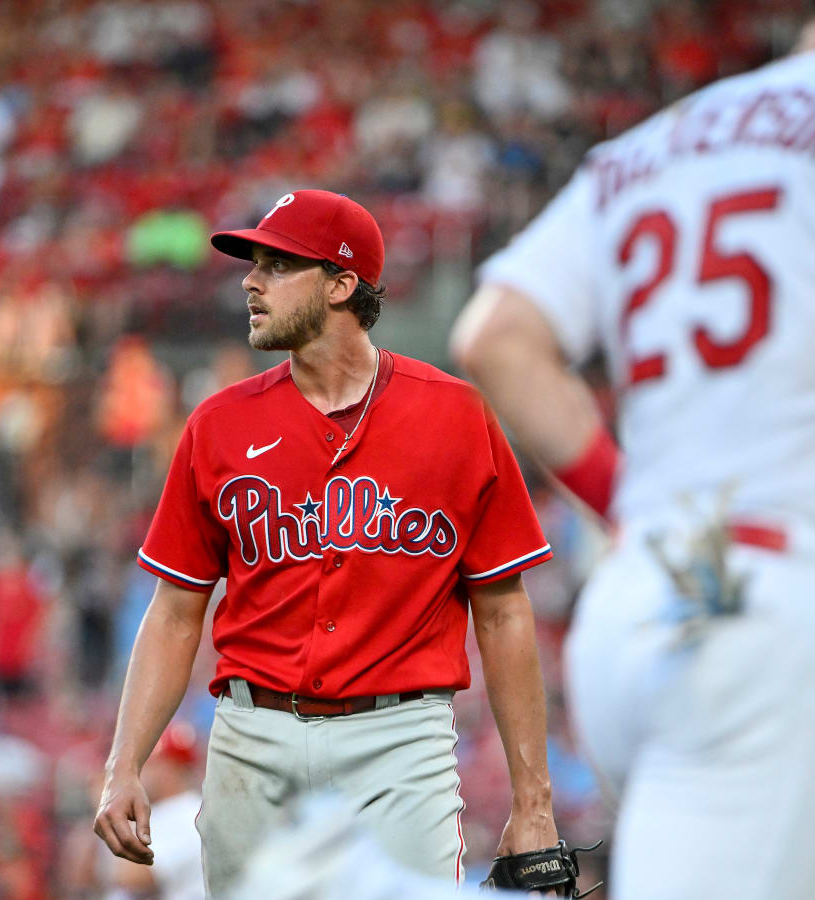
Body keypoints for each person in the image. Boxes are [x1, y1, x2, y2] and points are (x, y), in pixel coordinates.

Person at [449, 1, 815, 897]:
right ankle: (349, 882)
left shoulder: (656, 140)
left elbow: (495, 336)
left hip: (641, 609)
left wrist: (636, 504)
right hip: (759, 618)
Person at [93, 189, 560, 895]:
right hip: (253, 738)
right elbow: (174, 611)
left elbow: (503, 611)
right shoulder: (216, 425)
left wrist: (535, 804)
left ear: (343, 284)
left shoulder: (456, 415)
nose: (251, 281)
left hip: (399, 741)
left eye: (278, 265)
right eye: (254, 264)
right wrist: (123, 764)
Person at [106, 722, 205, 900]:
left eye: (147, 763)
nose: (137, 771)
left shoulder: (189, 814)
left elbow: (132, 877)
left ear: (171, 768)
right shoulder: (163, 811)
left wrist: (119, 810)